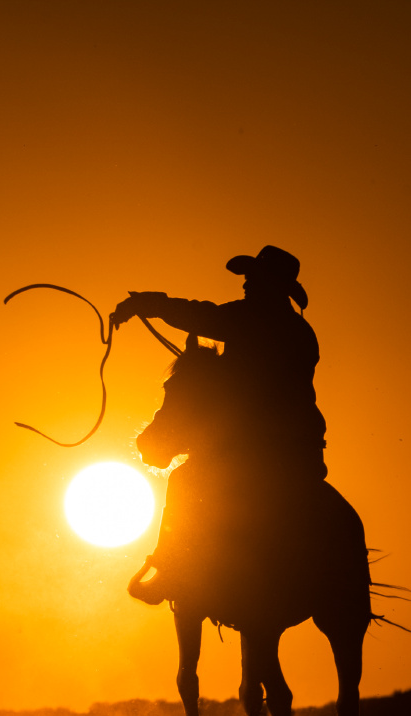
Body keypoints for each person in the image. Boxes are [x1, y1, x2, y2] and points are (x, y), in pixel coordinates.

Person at [119, 246, 327, 606]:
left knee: (185, 480)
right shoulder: (301, 331)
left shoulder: (251, 318)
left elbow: (203, 316)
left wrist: (150, 303)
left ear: (273, 285)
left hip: (254, 447)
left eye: (255, 278)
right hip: (302, 451)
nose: (246, 284)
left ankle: (170, 565)